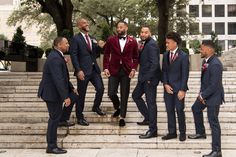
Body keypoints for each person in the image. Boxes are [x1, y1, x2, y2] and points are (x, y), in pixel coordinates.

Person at [38, 37, 79, 154]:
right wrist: (65, 97)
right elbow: (58, 79)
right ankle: (51, 146)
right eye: (66, 43)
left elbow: (63, 76)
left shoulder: (57, 55)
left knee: (74, 96)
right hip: (51, 93)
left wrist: (71, 88)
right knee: (53, 119)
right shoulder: (55, 58)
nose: (68, 45)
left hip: (55, 91)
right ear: (59, 45)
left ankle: (62, 119)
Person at [188, 41, 224, 157]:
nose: (200, 50)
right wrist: (201, 94)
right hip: (206, 94)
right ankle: (200, 132)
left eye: (202, 49)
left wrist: (203, 96)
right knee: (195, 108)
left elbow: (214, 85)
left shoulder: (216, 64)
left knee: (213, 123)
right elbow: (204, 81)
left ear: (209, 50)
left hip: (214, 97)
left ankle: (217, 151)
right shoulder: (206, 61)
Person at [70, 18, 106, 126]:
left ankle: (95, 107)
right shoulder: (75, 39)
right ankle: (79, 117)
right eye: (84, 23)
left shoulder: (92, 38)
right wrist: (78, 70)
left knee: (101, 88)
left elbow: (95, 54)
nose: (87, 24)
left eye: (87, 22)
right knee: (81, 95)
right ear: (79, 26)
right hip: (83, 71)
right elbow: (74, 55)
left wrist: (100, 47)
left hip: (94, 70)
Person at [103, 20, 139, 126]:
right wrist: (105, 68)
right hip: (113, 69)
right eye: (118, 27)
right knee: (111, 92)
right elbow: (106, 54)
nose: (119, 29)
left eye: (121, 27)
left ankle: (122, 117)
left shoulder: (133, 41)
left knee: (125, 94)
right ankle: (117, 106)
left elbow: (136, 57)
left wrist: (133, 69)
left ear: (126, 28)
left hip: (126, 71)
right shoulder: (111, 39)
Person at [132, 26, 161, 139]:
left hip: (149, 79)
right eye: (142, 32)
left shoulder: (152, 44)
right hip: (143, 78)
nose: (143, 34)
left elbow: (155, 64)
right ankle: (148, 117)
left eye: (145, 32)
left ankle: (153, 130)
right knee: (136, 96)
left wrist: (149, 78)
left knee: (151, 104)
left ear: (150, 33)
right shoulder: (144, 44)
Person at [162, 32, 189, 141]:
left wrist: (182, 90)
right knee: (169, 111)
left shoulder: (183, 56)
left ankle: (182, 132)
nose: (166, 45)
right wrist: (165, 84)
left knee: (179, 110)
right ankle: (172, 132)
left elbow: (185, 74)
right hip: (168, 89)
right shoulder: (165, 55)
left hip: (179, 89)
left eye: (168, 43)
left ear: (175, 43)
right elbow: (164, 71)